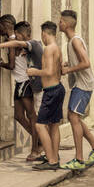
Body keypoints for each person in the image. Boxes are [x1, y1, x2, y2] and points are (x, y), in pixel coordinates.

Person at [57, 9, 94, 170]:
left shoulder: (75, 41)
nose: (59, 24)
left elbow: (86, 63)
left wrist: (68, 70)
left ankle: (79, 159)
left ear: (65, 24)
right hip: (81, 84)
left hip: (83, 85)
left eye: (60, 21)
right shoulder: (72, 41)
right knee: (75, 118)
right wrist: (69, 64)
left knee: (73, 117)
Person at [0, 19, 43, 161]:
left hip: (25, 81)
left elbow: (12, 65)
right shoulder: (15, 40)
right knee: (19, 115)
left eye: (0, 26)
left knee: (31, 115)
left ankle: (36, 148)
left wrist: (0, 62)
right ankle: (39, 140)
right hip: (20, 82)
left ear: (5, 26)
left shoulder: (14, 41)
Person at [27, 22, 65, 170]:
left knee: (39, 125)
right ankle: (54, 157)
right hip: (57, 88)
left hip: (51, 91)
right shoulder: (57, 48)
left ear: (44, 34)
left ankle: (52, 161)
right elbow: (59, 69)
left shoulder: (49, 49)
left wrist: (33, 72)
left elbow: (48, 71)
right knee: (54, 125)